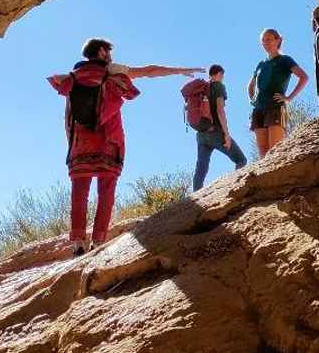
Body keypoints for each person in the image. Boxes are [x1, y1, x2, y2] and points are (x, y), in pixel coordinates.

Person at [48, 38, 203, 256]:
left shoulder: (72, 78)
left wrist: (70, 144)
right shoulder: (112, 71)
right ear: (101, 51)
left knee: (79, 192)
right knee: (107, 189)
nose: (111, 55)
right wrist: (180, 70)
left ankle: (78, 244)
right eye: (109, 51)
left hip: (80, 142)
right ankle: (98, 241)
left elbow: (68, 115)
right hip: (108, 138)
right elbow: (149, 71)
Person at [247, 27, 310, 158]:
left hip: (275, 107)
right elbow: (251, 84)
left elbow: (304, 77)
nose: (266, 43)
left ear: (278, 40)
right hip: (258, 109)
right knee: (262, 151)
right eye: (263, 41)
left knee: (275, 150)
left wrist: (289, 98)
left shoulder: (285, 60)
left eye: (269, 40)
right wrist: (252, 100)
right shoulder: (261, 64)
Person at [192, 64, 247, 190]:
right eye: (222, 75)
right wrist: (226, 135)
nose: (223, 78)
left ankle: (195, 196)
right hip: (215, 133)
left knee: (201, 168)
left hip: (201, 134)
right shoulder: (218, 86)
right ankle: (236, 189)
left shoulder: (202, 88)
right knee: (241, 160)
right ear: (219, 74)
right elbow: (220, 110)